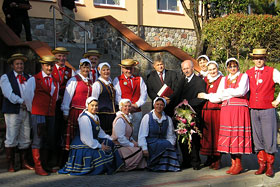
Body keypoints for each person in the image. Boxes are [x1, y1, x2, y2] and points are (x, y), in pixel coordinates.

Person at [198, 57, 252, 175]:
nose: (232, 68)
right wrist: (207, 96)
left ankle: (238, 164)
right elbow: (218, 95)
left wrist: (226, 92)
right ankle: (233, 164)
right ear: (227, 68)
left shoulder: (243, 76)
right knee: (231, 136)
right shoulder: (225, 79)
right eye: (230, 66)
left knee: (237, 136)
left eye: (234, 66)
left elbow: (241, 91)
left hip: (238, 109)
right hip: (227, 109)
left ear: (237, 66)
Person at [58, 97, 123, 175]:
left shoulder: (95, 117)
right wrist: (99, 146)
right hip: (83, 144)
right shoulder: (84, 118)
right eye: (92, 105)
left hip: (92, 141)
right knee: (101, 153)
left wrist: (110, 138)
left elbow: (100, 132)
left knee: (109, 143)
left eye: (96, 106)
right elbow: (86, 138)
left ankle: (118, 165)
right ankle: (103, 167)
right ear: (87, 105)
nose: (94, 108)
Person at [246, 49, 280, 177]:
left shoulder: (272, 71)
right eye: (256, 58)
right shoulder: (248, 73)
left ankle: (270, 165)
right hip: (253, 109)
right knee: (258, 137)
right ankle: (261, 164)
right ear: (253, 59)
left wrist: (277, 100)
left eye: (261, 58)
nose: (259, 60)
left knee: (269, 137)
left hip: (267, 109)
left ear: (265, 59)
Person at [167, 60, 206, 170]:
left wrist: (187, 104)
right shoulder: (182, 80)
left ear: (193, 68)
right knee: (182, 139)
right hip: (180, 115)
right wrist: (167, 100)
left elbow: (201, 98)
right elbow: (176, 94)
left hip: (192, 114)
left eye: (187, 68)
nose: (186, 71)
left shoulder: (199, 81)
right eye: (184, 69)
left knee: (194, 139)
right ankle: (186, 161)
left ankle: (195, 162)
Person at [24, 55, 59, 176]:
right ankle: (38, 166)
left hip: (50, 113)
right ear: (42, 66)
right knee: (38, 138)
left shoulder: (55, 81)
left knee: (48, 139)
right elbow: (28, 97)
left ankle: (45, 164)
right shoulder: (34, 79)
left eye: (51, 65)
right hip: (38, 113)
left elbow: (55, 96)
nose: (49, 68)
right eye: (47, 65)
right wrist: (33, 110)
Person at [0, 53, 34, 172]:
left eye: (21, 64)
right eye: (17, 64)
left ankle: (23, 162)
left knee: (25, 135)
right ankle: (11, 164)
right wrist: (21, 102)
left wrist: (29, 103)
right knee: (12, 136)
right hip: (13, 111)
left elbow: (32, 92)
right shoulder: (6, 77)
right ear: (12, 66)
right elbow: (8, 94)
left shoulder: (29, 77)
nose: (20, 66)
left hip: (26, 110)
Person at [138, 97, 180, 171]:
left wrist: (171, 143)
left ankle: (167, 166)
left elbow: (171, 135)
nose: (159, 106)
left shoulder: (167, 119)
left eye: (161, 105)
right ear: (154, 105)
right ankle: (157, 165)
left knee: (167, 144)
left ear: (164, 106)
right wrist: (144, 148)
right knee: (164, 144)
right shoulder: (147, 117)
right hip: (151, 142)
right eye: (157, 104)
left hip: (162, 142)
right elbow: (142, 135)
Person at [61, 59, 92, 151]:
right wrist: (65, 110)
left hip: (86, 112)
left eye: (87, 67)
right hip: (76, 111)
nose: (86, 69)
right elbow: (68, 96)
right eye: (84, 67)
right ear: (80, 67)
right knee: (75, 134)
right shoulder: (74, 80)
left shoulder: (90, 81)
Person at [113, 59, 147, 140]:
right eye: (126, 68)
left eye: (130, 68)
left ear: (134, 69)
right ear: (122, 69)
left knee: (136, 132)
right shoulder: (117, 80)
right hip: (123, 111)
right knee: (123, 132)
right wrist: (126, 106)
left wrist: (136, 105)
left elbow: (144, 94)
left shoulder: (139, 79)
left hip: (136, 110)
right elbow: (117, 96)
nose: (128, 71)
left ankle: (135, 149)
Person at [51, 46, 74, 166]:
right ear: (55, 56)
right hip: (52, 105)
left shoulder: (70, 71)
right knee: (53, 131)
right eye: (59, 55)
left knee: (64, 132)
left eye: (64, 56)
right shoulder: (50, 69)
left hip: (65, 105)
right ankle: (53, 159)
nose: (62, 58)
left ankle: (63, 160)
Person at [199, 61, 223, 170]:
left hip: (216, 110)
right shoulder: (205, 80)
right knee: (207, 134)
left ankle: (217, 159)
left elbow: (219, 96)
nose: (212, 71)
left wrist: (206, 96)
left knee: (216, 134)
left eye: (214, 69)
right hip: (206, 110)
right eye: (210, 69)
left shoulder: (221, 79)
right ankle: (209, 157)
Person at [111, 99, 146, 171]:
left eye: (129, 106)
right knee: (139, 151)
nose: (127, 108)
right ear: (121, 107)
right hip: (119, 146)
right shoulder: (120, 119)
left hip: (124, 144)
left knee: (142, 147)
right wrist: (132, 145)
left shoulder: (127, 117)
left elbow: (129, 135)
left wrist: (134, 142)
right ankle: (126, 166)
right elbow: (120, 138)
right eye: (125, 106)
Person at [92, 62, 116, 135]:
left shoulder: (110, 82)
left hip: (111, 113)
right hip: (102, 113)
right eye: (104, 70)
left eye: (108, 70)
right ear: (100, 71)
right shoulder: (97, 84)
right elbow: (94, 99)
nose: (106, 72)